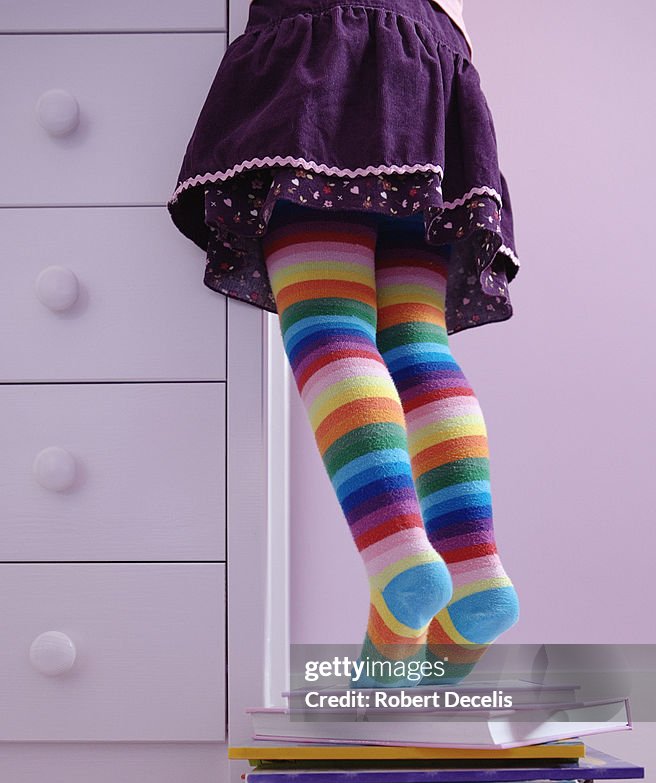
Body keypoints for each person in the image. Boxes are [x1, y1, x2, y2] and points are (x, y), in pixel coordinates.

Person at [168, 0, 521, 685]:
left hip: (324, 45)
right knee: (416, 343)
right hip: (432, 58)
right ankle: (470, 569)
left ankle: (399, 559)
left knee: (332, 324)